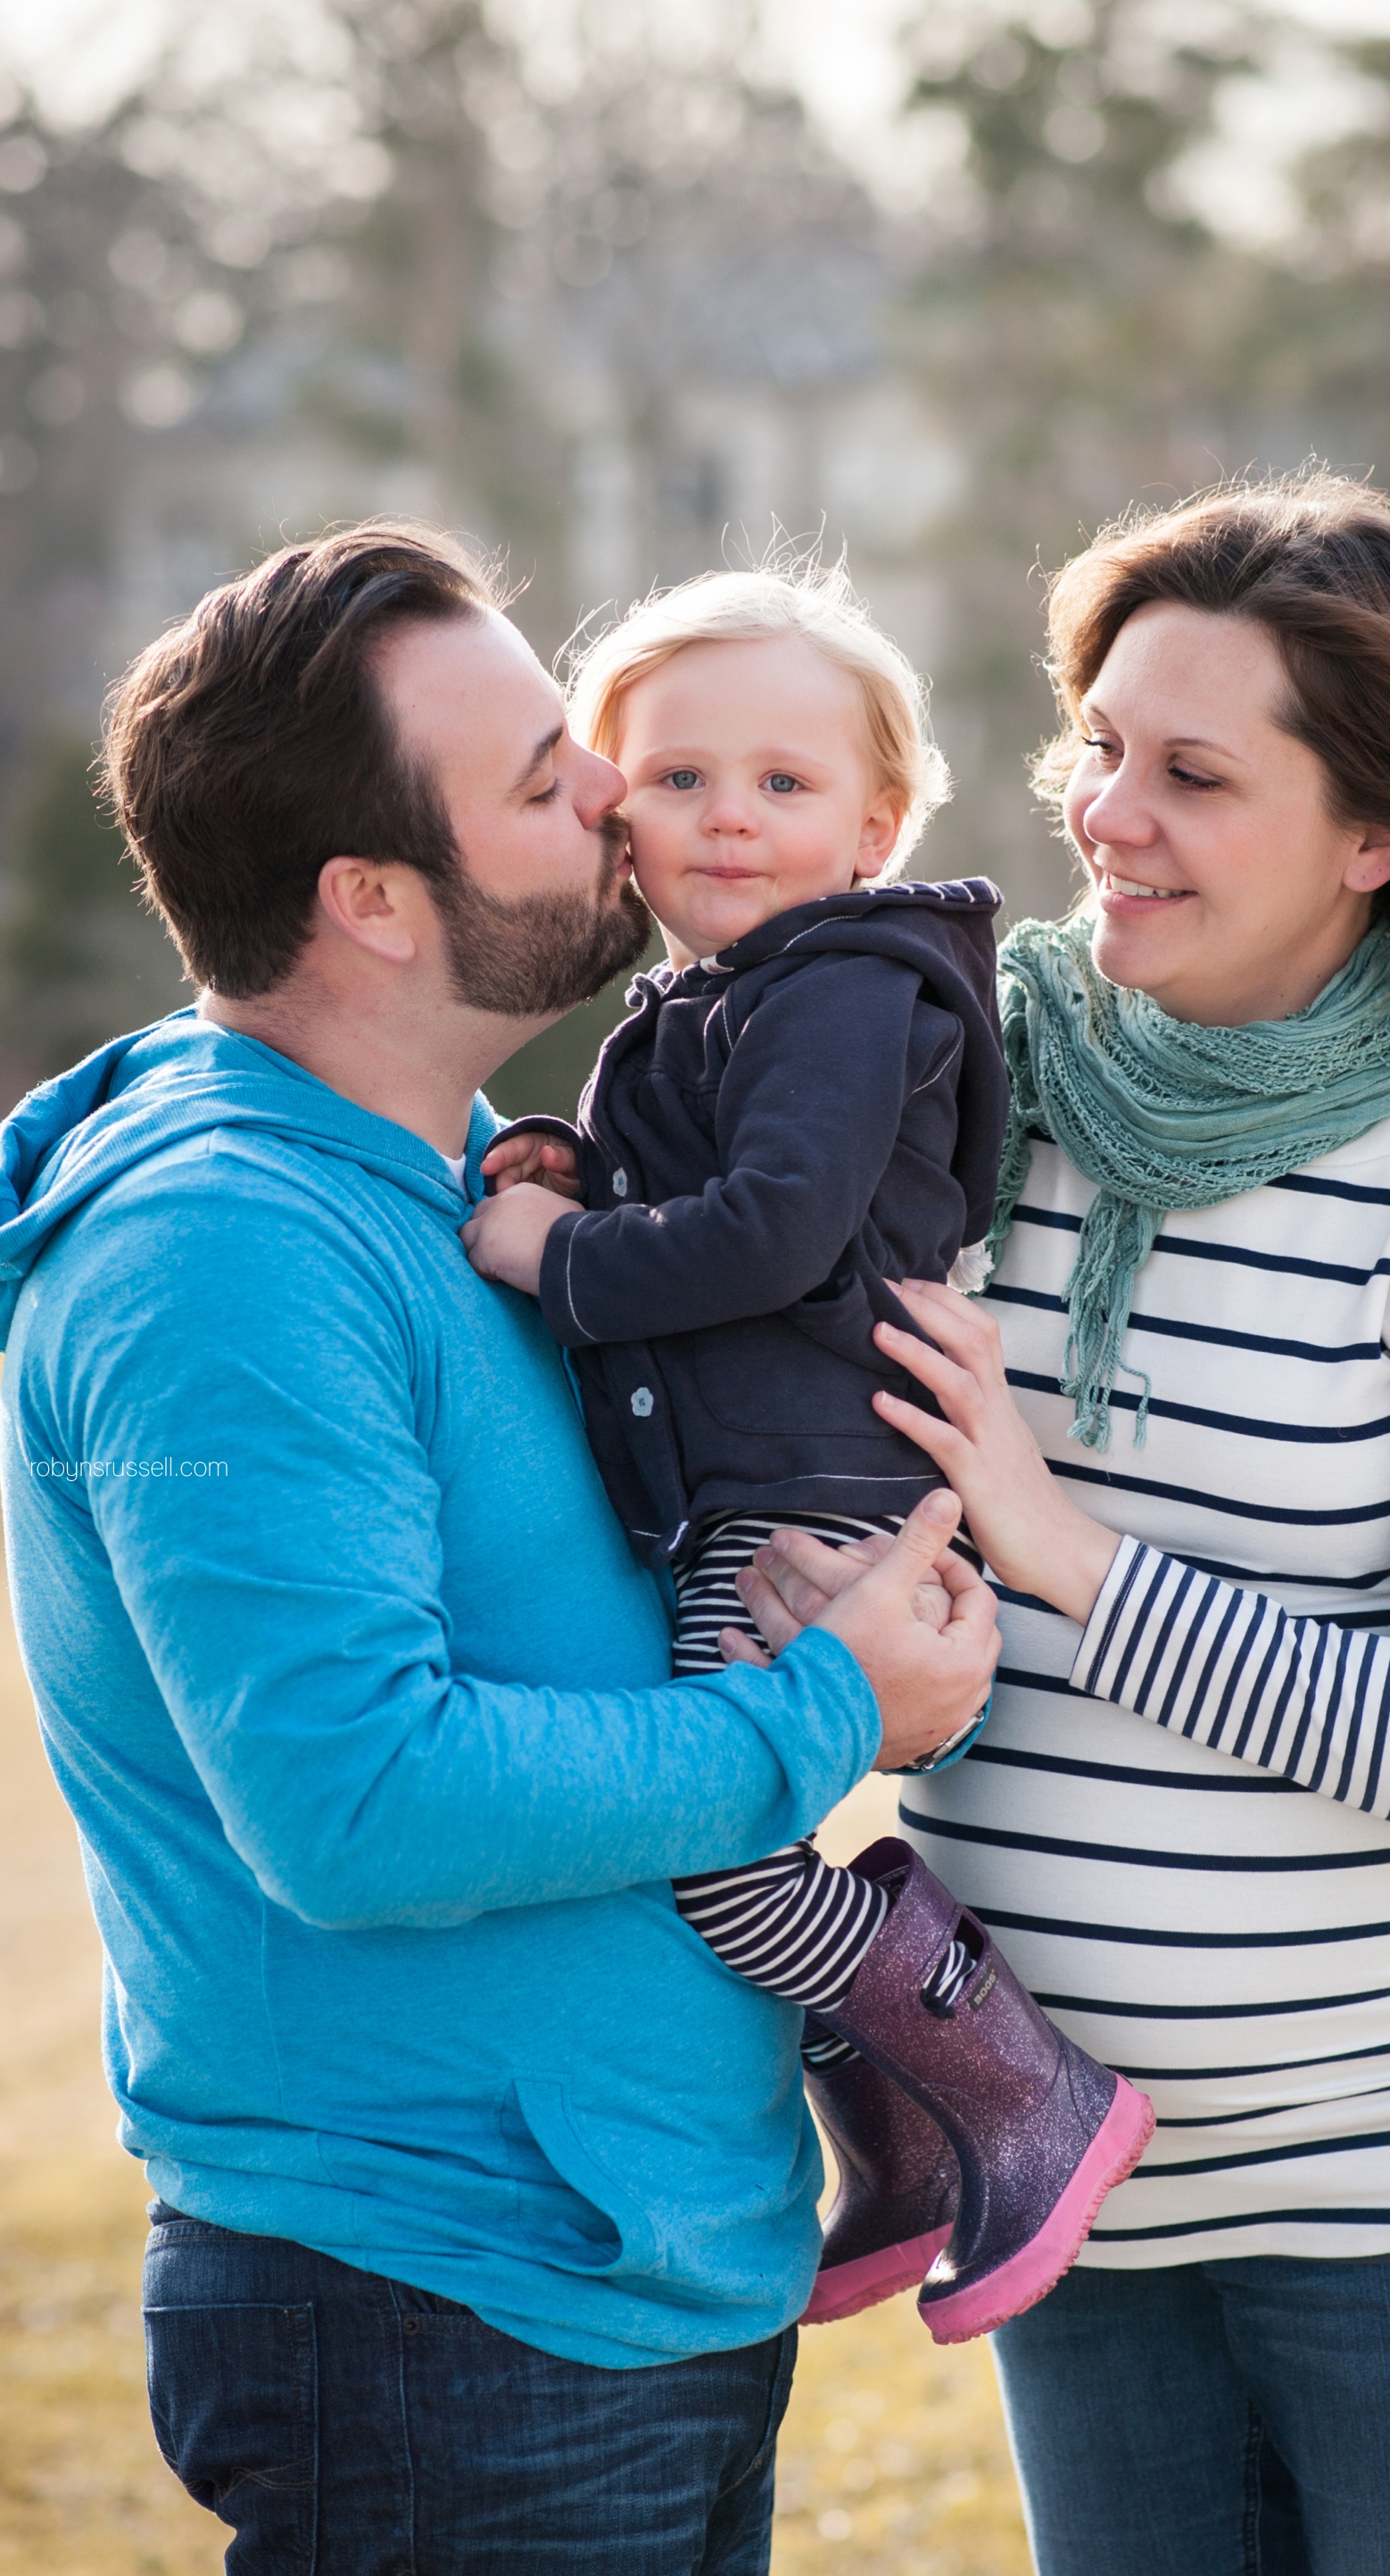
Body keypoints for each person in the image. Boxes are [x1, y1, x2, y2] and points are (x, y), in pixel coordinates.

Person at [0, 523, 1000, 2576]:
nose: (621, 804)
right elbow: (358, 1807)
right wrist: (835, 1705)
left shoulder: (452, 1179)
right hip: (441, 2319)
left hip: (640, 2270)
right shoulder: (230, 1257)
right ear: (372, 896)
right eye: (553, 772)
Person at [736, 476, 1390, 2576]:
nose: (1108, 815)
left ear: (1372, 829)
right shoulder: (966, 1057)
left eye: (1194, 772)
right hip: (1069, 2179)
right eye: (1095, 743)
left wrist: (1064, 1545)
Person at [459, 563, 1152, 2344]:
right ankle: (905, 2145)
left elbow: (770, 1233)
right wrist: (567, 1163)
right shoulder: (709, 1003)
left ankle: (1017, 2092)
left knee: (715, 1853)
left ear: (876, 817)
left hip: (822, 1488)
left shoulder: (845, 991)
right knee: (731, 1832)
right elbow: (705, 1187)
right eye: (676, 778)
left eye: (781, 783)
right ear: (611, 811)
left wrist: (563, 1256)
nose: (727, 818)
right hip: (755, 1474)